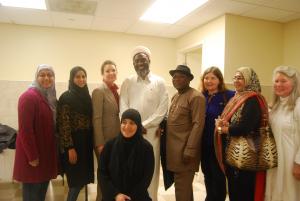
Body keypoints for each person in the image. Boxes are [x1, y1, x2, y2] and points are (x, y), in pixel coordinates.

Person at [120, 46, 168, 201]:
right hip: (130, 134)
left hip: (151, 135)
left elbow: (162, 109)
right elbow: (123, 106)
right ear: (133, 64)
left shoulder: (160, 82)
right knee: (131, 170)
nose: (140, 63)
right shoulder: (127, 82)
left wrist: (143, 125)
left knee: (150, 171)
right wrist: (133, 126)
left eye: (143, 59)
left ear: (149, 60)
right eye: (137, 60)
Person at [215, 67, 266, 201]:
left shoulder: (252, 99)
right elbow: (237, 122)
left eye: (241, 78)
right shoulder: (238, 97)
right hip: (234, 153)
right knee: (234, 190)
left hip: (247, 155)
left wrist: (225, 129)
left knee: (243, 192)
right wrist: (227, 124)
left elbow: (245, 127)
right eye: (235, 77)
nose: (237, 81)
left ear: (249, 80)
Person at [13, 64, 58, 201]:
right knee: (32, 195)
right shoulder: (28, 97)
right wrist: (32, 156)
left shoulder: (50, 98)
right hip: (33, 158)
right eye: (42, 75)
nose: (46, 78)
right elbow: (25, 130)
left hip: (45, 156)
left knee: (40, 195)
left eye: (50, 75)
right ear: (36, 77)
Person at [167, 65, 205, 201]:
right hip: (174, 151)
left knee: (182, 189)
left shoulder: (196, 97)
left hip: (185, 151)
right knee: (183, 188)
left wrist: (190, 149)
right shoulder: (175, 96)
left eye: (181, 76)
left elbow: (198, 124)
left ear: (189, 79)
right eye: (174, 77)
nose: (176, 79)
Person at [99, 108, 155, 201]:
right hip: (113, 197)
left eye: (132, 123)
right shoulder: (110, 146)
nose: (127, 127)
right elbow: (102, 173)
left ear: (138, 126)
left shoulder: (146, 148)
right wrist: (116, 195)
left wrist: (129, 198)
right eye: (124, 122)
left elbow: (146, 178)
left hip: (137, 197)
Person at [57, 66, 94, 201]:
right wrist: (69, 148)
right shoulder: (66, 97)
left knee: (83, 180)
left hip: (86, 144)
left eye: (83, 76)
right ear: (72, 79)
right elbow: (63, 125)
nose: (81, 79)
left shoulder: (87, 96)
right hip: (74, 144)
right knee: (75, 183)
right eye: (77, 76)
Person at [265, 66, 300, 201]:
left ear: (294, 83)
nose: (278, 84)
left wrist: (298, 163)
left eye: (283, 81)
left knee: (290, 194)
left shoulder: (298, 105)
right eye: (276, 81)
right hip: (276, 160)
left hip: (292, 160)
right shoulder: (276, 106)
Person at [200, 66, 234, 201]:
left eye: (213, 78)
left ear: (219, 80)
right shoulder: (201, 96)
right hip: (204, 143)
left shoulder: (230, 96)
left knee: (218, 176)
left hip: (220, 144)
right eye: (206, 78)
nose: (209, 81)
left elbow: (236, 119)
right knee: (207, 174)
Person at [92, 60, 120, 201]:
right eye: (108, 70)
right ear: (102, 74)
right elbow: (96, 119)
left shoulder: (116, 90)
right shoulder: (99, 91)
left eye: (113, 70)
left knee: (113, 174)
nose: (111, 73)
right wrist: (99, 143)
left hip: (116, 139)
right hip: (104, 141)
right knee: (104, 175)